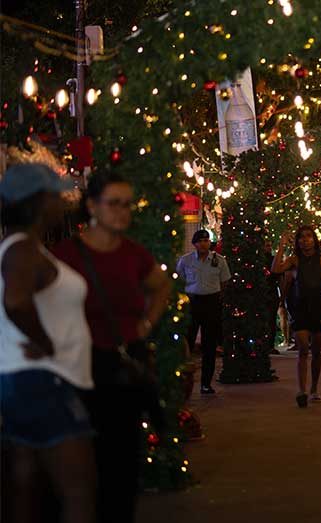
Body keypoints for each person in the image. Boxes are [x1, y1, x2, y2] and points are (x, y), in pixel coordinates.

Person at [54, 170, 170, 523]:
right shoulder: (66, 256)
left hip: (122, 367)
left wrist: (145, 323)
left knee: (122, 467)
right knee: (85, 467)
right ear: (92, 206)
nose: (122, 212)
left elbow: (162, 286)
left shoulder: (134, 254)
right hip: (80, 368)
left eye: (127, 204)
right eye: (114, 203)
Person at [0, 164, 96, 523]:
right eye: (57, 194)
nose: (64, 201)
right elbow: (16, 301)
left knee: (27, 487)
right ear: (38, 201)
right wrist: (46, 343)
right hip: (43, 381)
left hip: (24, 381)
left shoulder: (18, 246)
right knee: (78, 489)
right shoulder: (22, 249)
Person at [272, 226, 321, 407]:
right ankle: (301, 390)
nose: (305, 240)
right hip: (300, 308)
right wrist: (281, 246)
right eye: (301, 237)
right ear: (297, 241)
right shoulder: (295, 259)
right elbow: (275, 269)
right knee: (303, 348)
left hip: (318, 308)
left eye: (308, 237)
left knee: (316, 352)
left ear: (314, 239)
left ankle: (313, 388)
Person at [176, 230, 231, 394]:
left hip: (211, 303)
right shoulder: (185, 260)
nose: (204, 243)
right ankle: (182, 382)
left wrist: (217, 298)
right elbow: (178, 280)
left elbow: (224, 282)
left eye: (206, 240)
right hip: (192, 302)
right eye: (200, 241)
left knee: (209, 345)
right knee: (187, 343)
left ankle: (206, 384)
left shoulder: (219, 260)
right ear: (194, 244)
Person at [263, 239, 281, 355]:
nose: (268, 248)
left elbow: (280, 277)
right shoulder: (259, 261)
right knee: (266, 319)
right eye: (266, 245)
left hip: (272, 291)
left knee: (271, 319)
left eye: (269, 245)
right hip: (263, 292)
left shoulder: (273, 260)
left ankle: (270, 344)